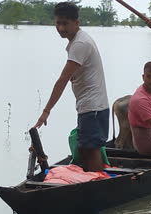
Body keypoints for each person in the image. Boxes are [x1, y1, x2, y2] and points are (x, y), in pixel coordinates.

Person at [33, 2, 109, 172]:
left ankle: (96, 186)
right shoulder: (78, 41)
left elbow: (62, 79)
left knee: (90, 150)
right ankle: (93, 181)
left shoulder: (80, 44)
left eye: (65, 23)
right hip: (90, 106)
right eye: (58, 23)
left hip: (93, 107)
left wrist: (46, 111)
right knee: (85, 149)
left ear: (76, 22)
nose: (60, 28)